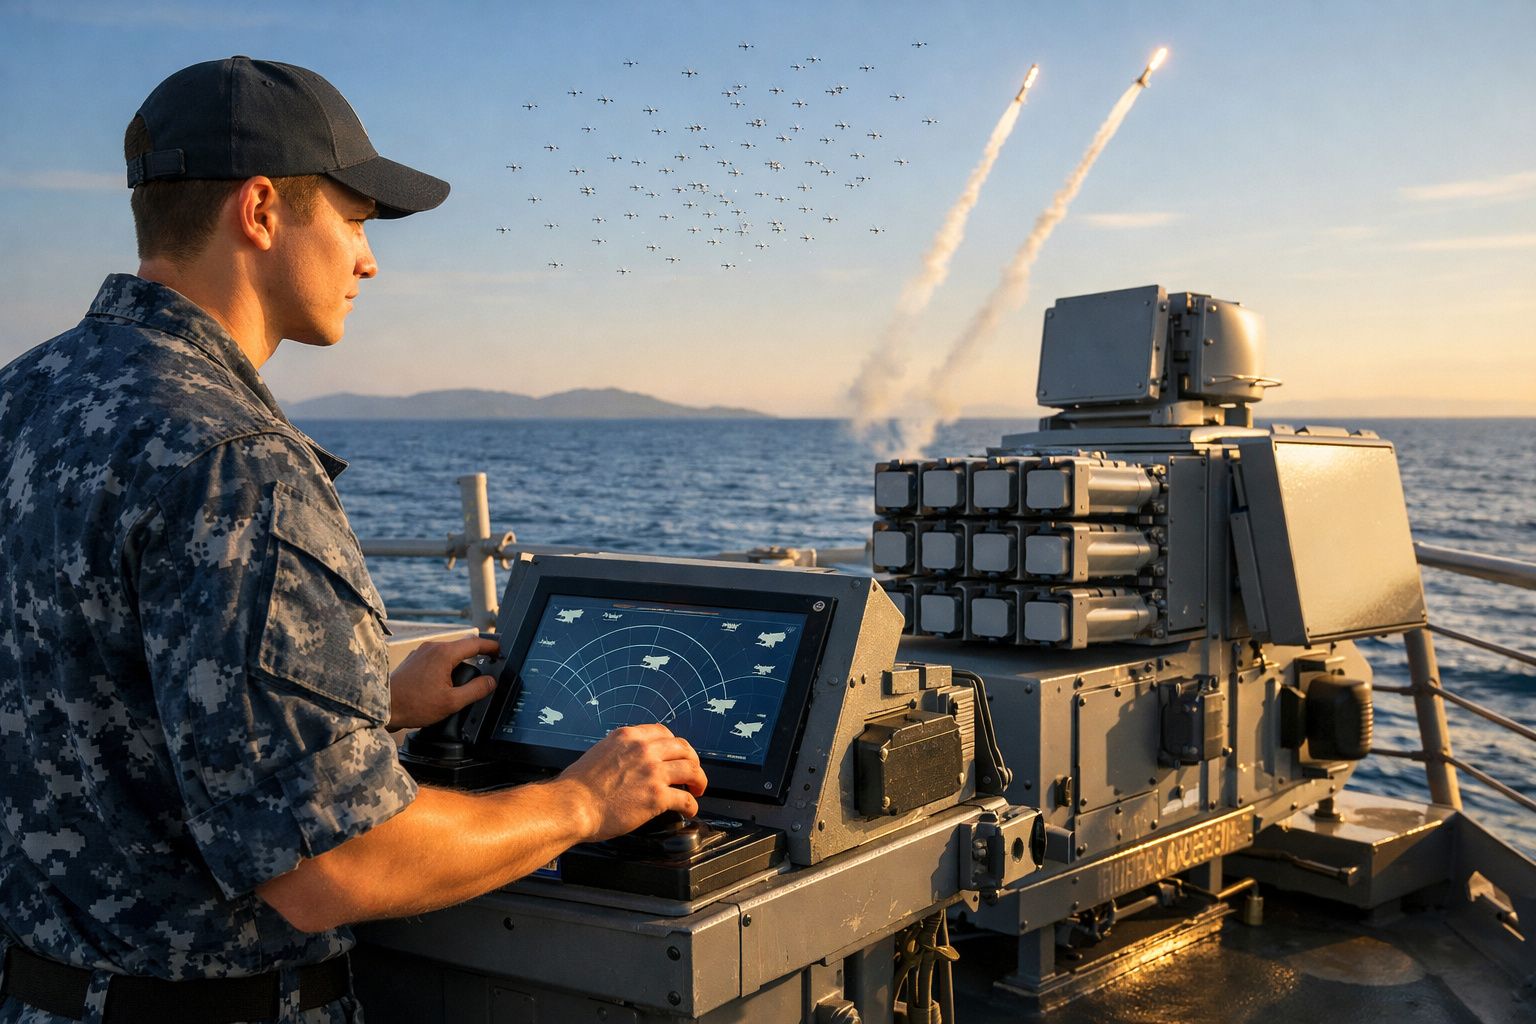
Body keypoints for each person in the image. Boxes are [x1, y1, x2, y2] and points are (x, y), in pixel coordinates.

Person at [0, 56, 707, 1024]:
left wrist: (372, 695)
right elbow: (333, 862)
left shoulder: (26, 396)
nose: (368, 260)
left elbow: (96, 679)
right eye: (355, 223)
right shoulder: (235, 461)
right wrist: (581, 802)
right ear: (260, 211)